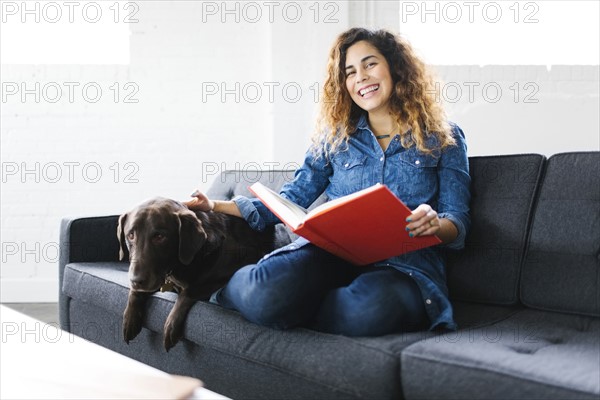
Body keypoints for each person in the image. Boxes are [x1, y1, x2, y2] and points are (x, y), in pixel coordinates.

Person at [185, 27, 470, 336]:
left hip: (403, 265)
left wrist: (435, 225)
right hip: (330, 255)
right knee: (263, 292)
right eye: (349, 72)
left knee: (367, 310)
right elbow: (288, 200)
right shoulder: (335, 138)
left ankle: (294, 306)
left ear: (396, 66)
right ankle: (223, 291)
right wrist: (213, 204)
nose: (360, 76)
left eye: (370, 63)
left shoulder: (444, 136)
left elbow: (457, 221)